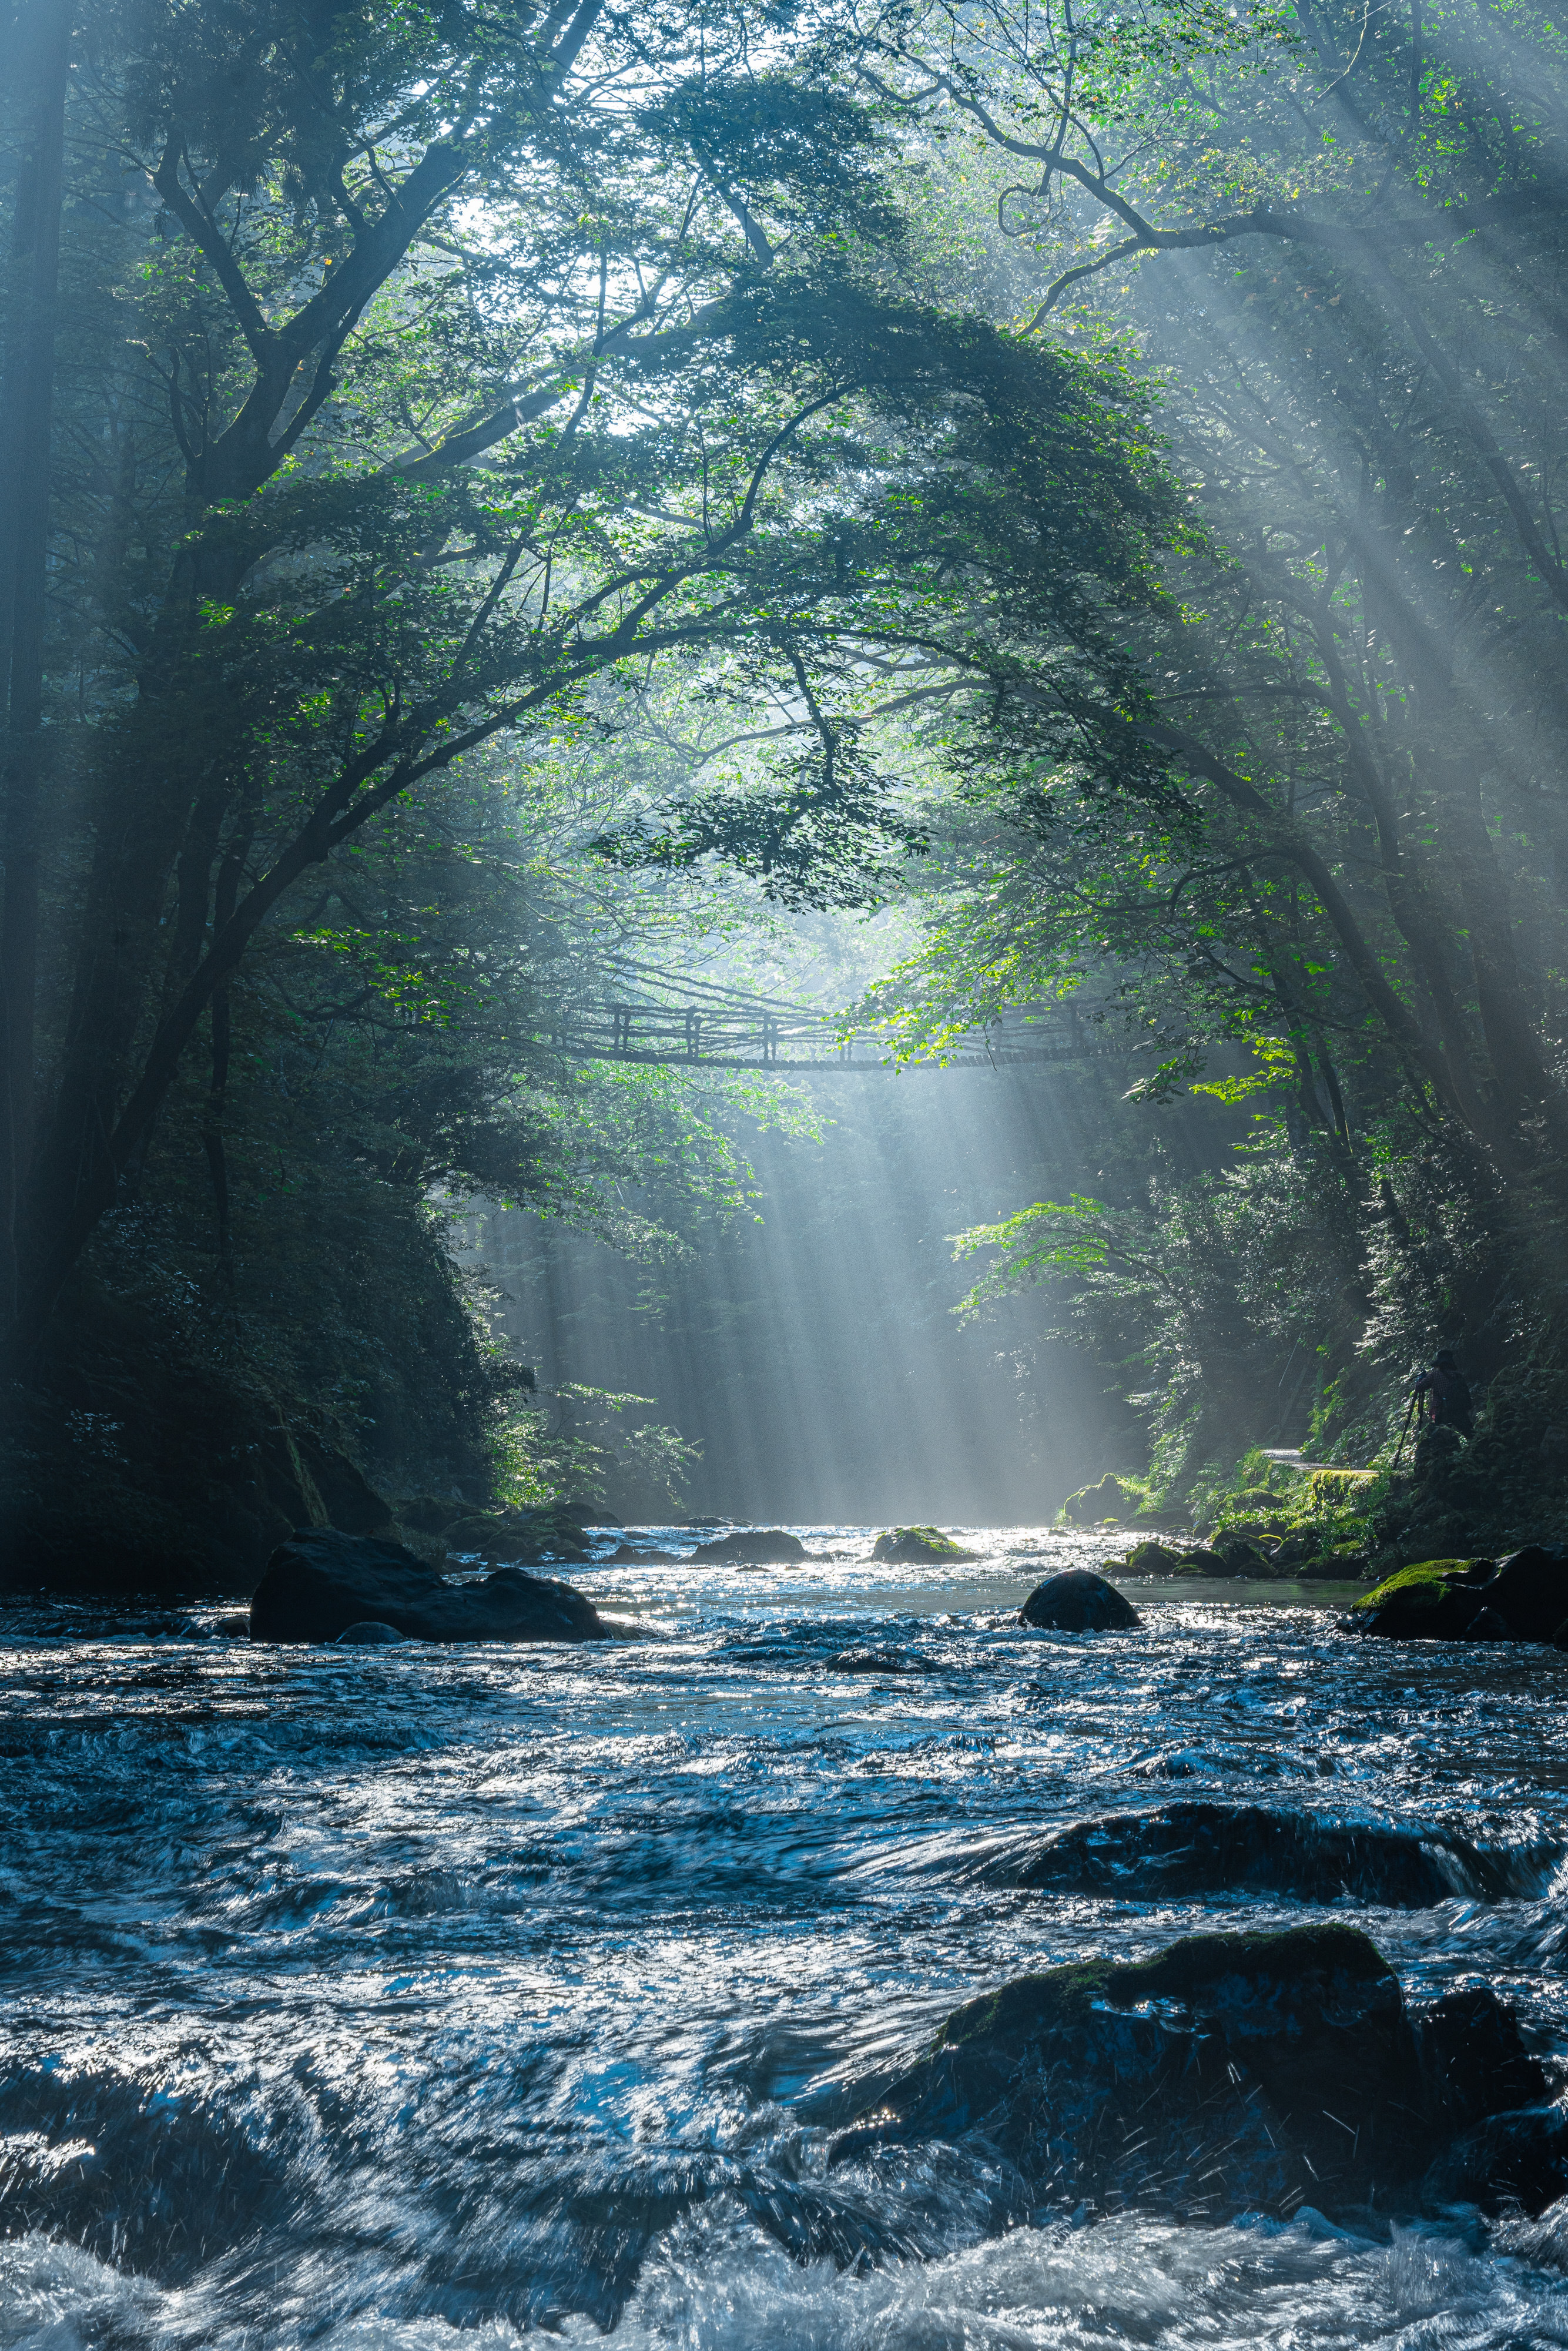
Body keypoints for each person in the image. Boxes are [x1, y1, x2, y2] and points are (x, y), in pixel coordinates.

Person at [1413, 1348, 1474, 1438]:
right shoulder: (1457, 1375)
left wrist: (1420, 1379)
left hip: (1442, 1412)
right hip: (1459, 1410)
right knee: (1470, 1434)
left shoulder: (1435, 1375)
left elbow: (1419, 1387)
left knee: (1442, 1438)